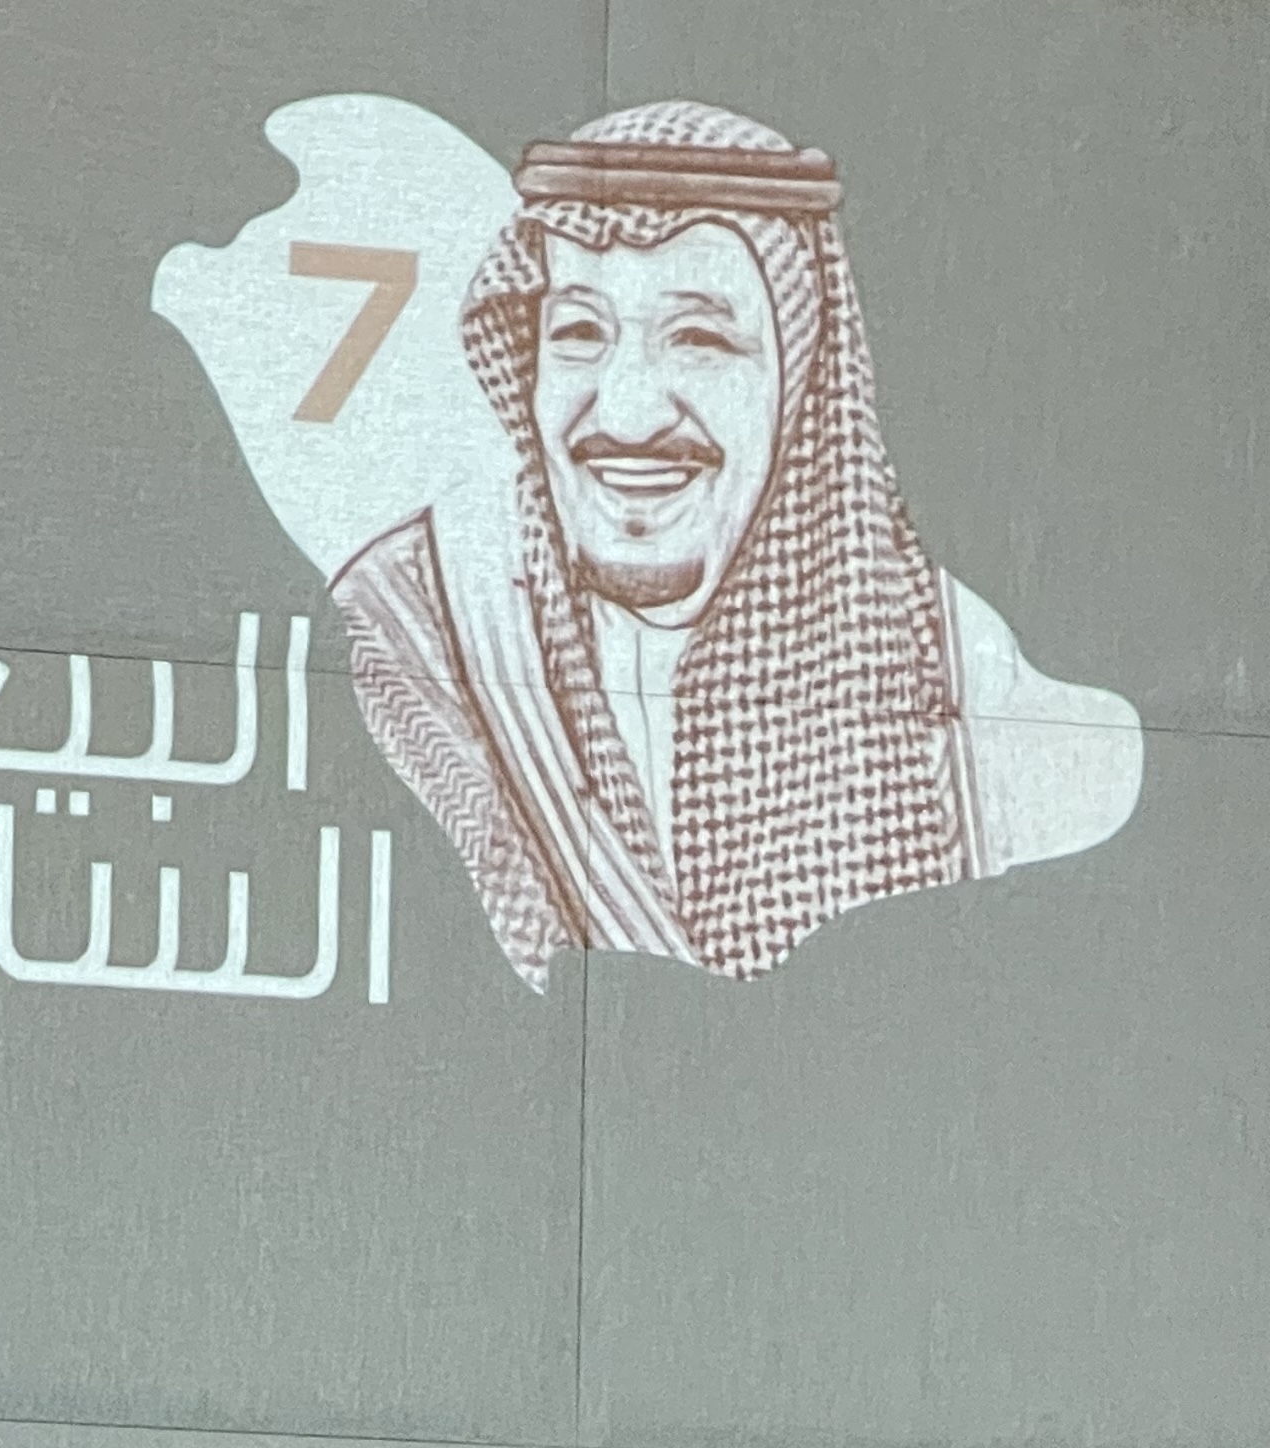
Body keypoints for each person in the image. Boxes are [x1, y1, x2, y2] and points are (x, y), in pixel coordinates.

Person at [335, 101, 1136, 987]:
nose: (627, 413)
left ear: (799, 377)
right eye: (579, 334)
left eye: (700, 338)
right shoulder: (420, 623)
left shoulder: (968, 681)